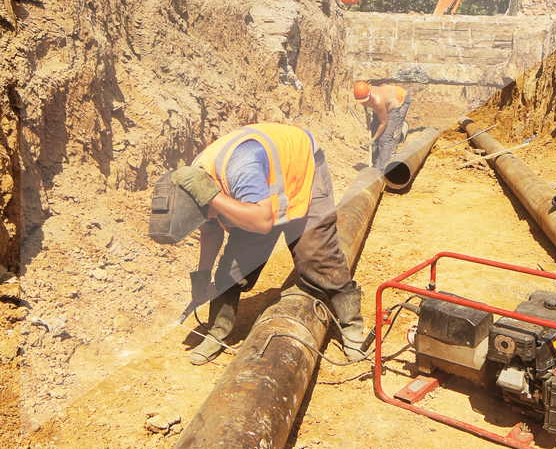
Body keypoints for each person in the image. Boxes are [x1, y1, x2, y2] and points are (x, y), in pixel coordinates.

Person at [170, 123, 365, 365]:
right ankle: (218, 332)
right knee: (235, 263)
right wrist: (202, 276)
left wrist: (217, 200)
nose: (209, 220)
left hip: (301, 169)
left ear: (210, 197)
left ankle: (352, 326)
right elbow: (211, 230)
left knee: (315, 254)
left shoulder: (238, 172)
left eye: (209, 211)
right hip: (255, 190)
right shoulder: (196, 185)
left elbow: (262, 222)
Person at [353, 81, 411, 173]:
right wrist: (366, 107)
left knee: (385, 138)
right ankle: (376, 166)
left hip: (392, 111)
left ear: (369, 96)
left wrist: (374, 139)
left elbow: (383, 123)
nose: (363, 103)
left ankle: (383, 169)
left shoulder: (378, 101)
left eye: (365, 102)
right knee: (374, 132)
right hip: (381, 109)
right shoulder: (364, 94)